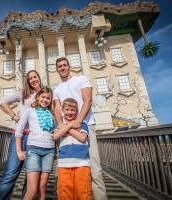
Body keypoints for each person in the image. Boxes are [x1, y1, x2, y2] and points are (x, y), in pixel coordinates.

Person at [53, 57, 107, 200]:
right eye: (59, 66)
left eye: (65, 65)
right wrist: (62, 125)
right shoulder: (57, 89)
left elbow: (87, 100)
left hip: (86, 125)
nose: (62, 67)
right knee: (65, 166)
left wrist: (77, 121)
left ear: (69, 66)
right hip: (66, 131)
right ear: (57, 69)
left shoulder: (81, 79)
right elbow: (57, 110)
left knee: (95, 169)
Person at [0, 70, 42, 200]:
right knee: (11, 173)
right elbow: (2, 102)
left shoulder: (45, 94)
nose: (33, 80)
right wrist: (14, 115)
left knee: (32, 176)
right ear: (28, 82)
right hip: (20, 137)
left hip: (36, 139)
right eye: (30, 78)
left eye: (35, 77)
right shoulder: (23, 93)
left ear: (39, 78)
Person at [15, 86, 55, 200]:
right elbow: (19, 130)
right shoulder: (30, 111)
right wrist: (19, 150)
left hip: (49, 151)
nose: (45, 100)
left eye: (48, 98)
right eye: (43, 97)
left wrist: (56, 150)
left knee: (42, 187)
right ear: (38, 97)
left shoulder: (51, 114)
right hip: (33, 150)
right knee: (32, 190)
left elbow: (54, 133)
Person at [53, 98, 93, 200]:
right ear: (63, 110)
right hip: (64, 164)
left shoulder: (82, 124)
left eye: (72, 110)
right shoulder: (60, 125)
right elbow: (55, 136)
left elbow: (83, 138)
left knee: (83, 193)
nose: (70, 112)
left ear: (76, 111)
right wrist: (70, 125)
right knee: (64, 193)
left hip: (82, 163)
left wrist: (66, 129)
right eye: (67, 109)